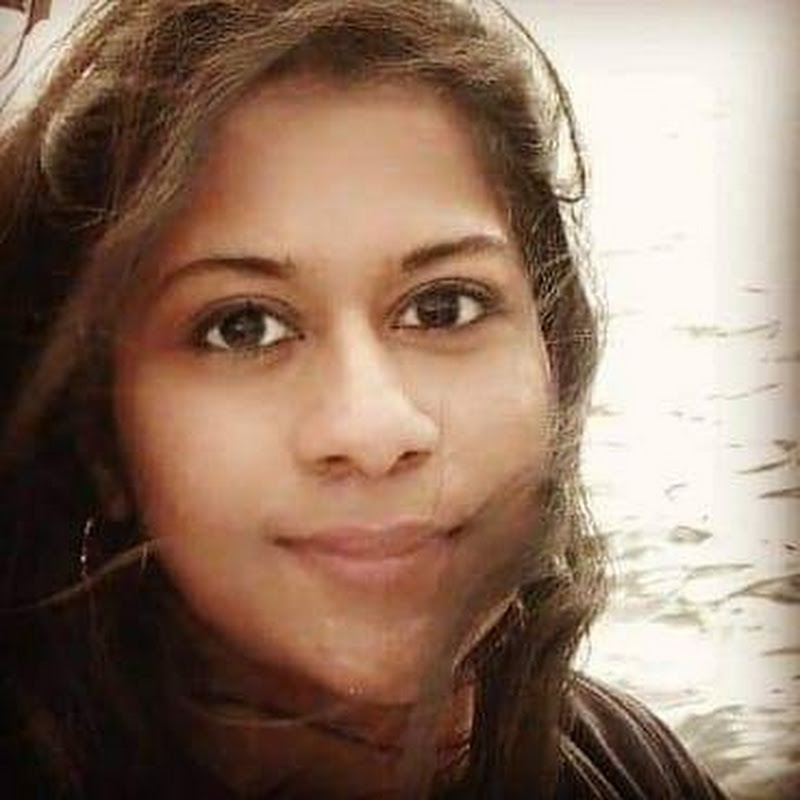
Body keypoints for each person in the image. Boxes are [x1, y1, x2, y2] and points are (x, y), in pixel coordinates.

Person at [0, 1, 729, 797]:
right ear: (102, 439)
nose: (375, 429)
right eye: (243, 327)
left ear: (553, 355)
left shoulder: (626, 766)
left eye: (443, 307)